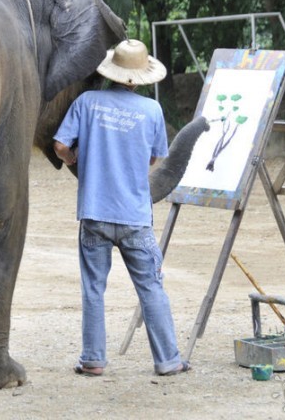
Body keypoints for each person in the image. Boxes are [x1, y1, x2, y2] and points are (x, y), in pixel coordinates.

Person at [53, 39, 190, 377]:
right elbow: (155, 158)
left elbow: (59, 145)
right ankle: (168, 361)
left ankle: (94, 360)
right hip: (135, 217)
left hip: (94, 214)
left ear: (112, 72)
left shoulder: (86, 102)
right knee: (151, 288)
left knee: (93, 289)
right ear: (138, 79)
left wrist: (74, 158)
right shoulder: (152, 111)